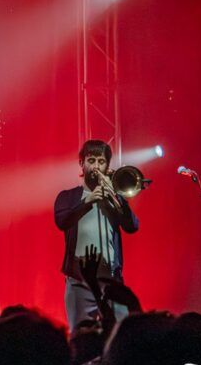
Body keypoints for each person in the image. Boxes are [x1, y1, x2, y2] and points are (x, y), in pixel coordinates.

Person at [54, 139, 139, 328]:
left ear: (108, 166)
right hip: (79, 283)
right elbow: (62, 221)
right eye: (91, 160)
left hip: (111, 281)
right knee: (82, 337)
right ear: (81, 164)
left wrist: (116, 196)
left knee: (120, 335)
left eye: (101, 161)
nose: (96, 166)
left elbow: (132, 226)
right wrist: (88, 201)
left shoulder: (113, 198)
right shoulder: (67, 197)